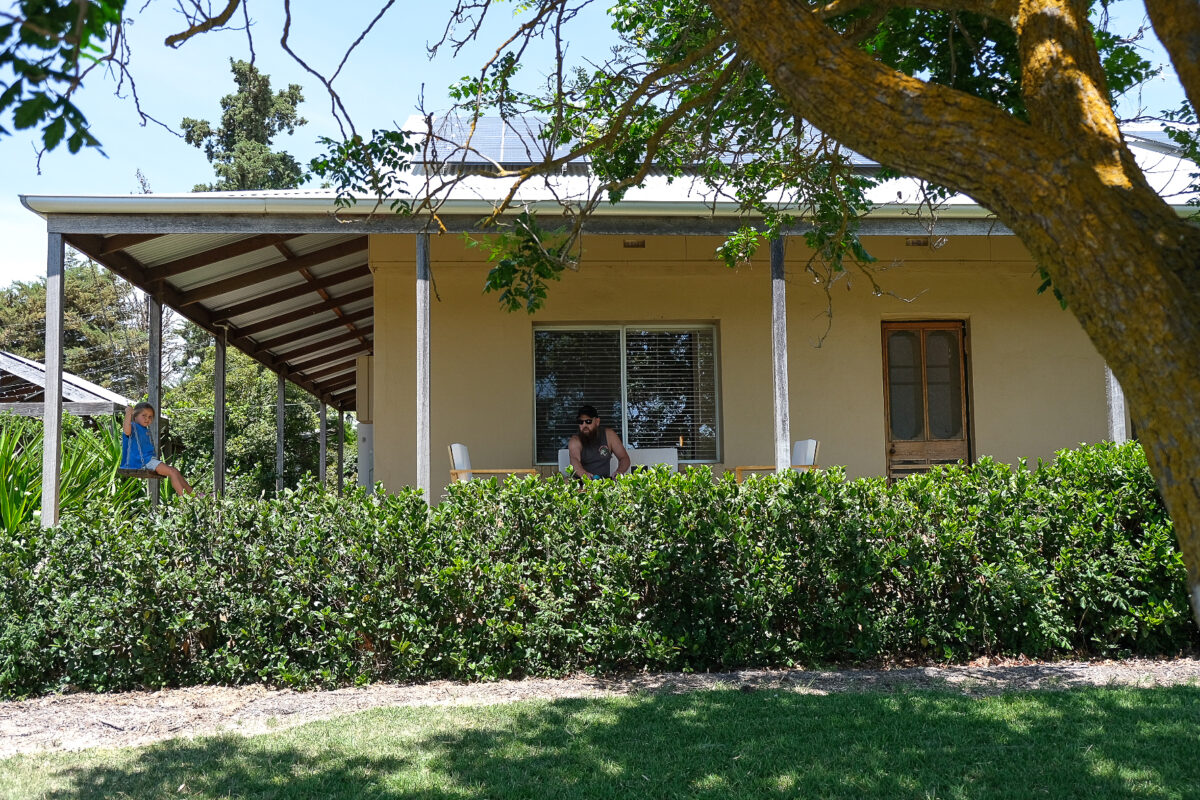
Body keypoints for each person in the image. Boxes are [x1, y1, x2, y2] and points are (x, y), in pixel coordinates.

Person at [122, 402, 198, 496]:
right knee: (172, 472)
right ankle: (184, 498)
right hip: (141, 462)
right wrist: (128, 413)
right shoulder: (133, 426)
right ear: (135, 416)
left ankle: (193, 495)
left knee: (175, 471)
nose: (147, 419)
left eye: (150, 417)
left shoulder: (145, 429)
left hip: (148, 460)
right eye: (144, 415)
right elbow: (126, 430)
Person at [567, 404, 630, 480]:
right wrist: (584, 475)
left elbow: (624, 458)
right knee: (566, 481)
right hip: (581, 481)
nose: (584, 425)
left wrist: (619, 472)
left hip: (604, 482)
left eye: (588, 421)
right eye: (580, 422)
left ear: (597, 421)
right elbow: (574, 460)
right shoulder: (575, 440)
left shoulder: (609, 435)